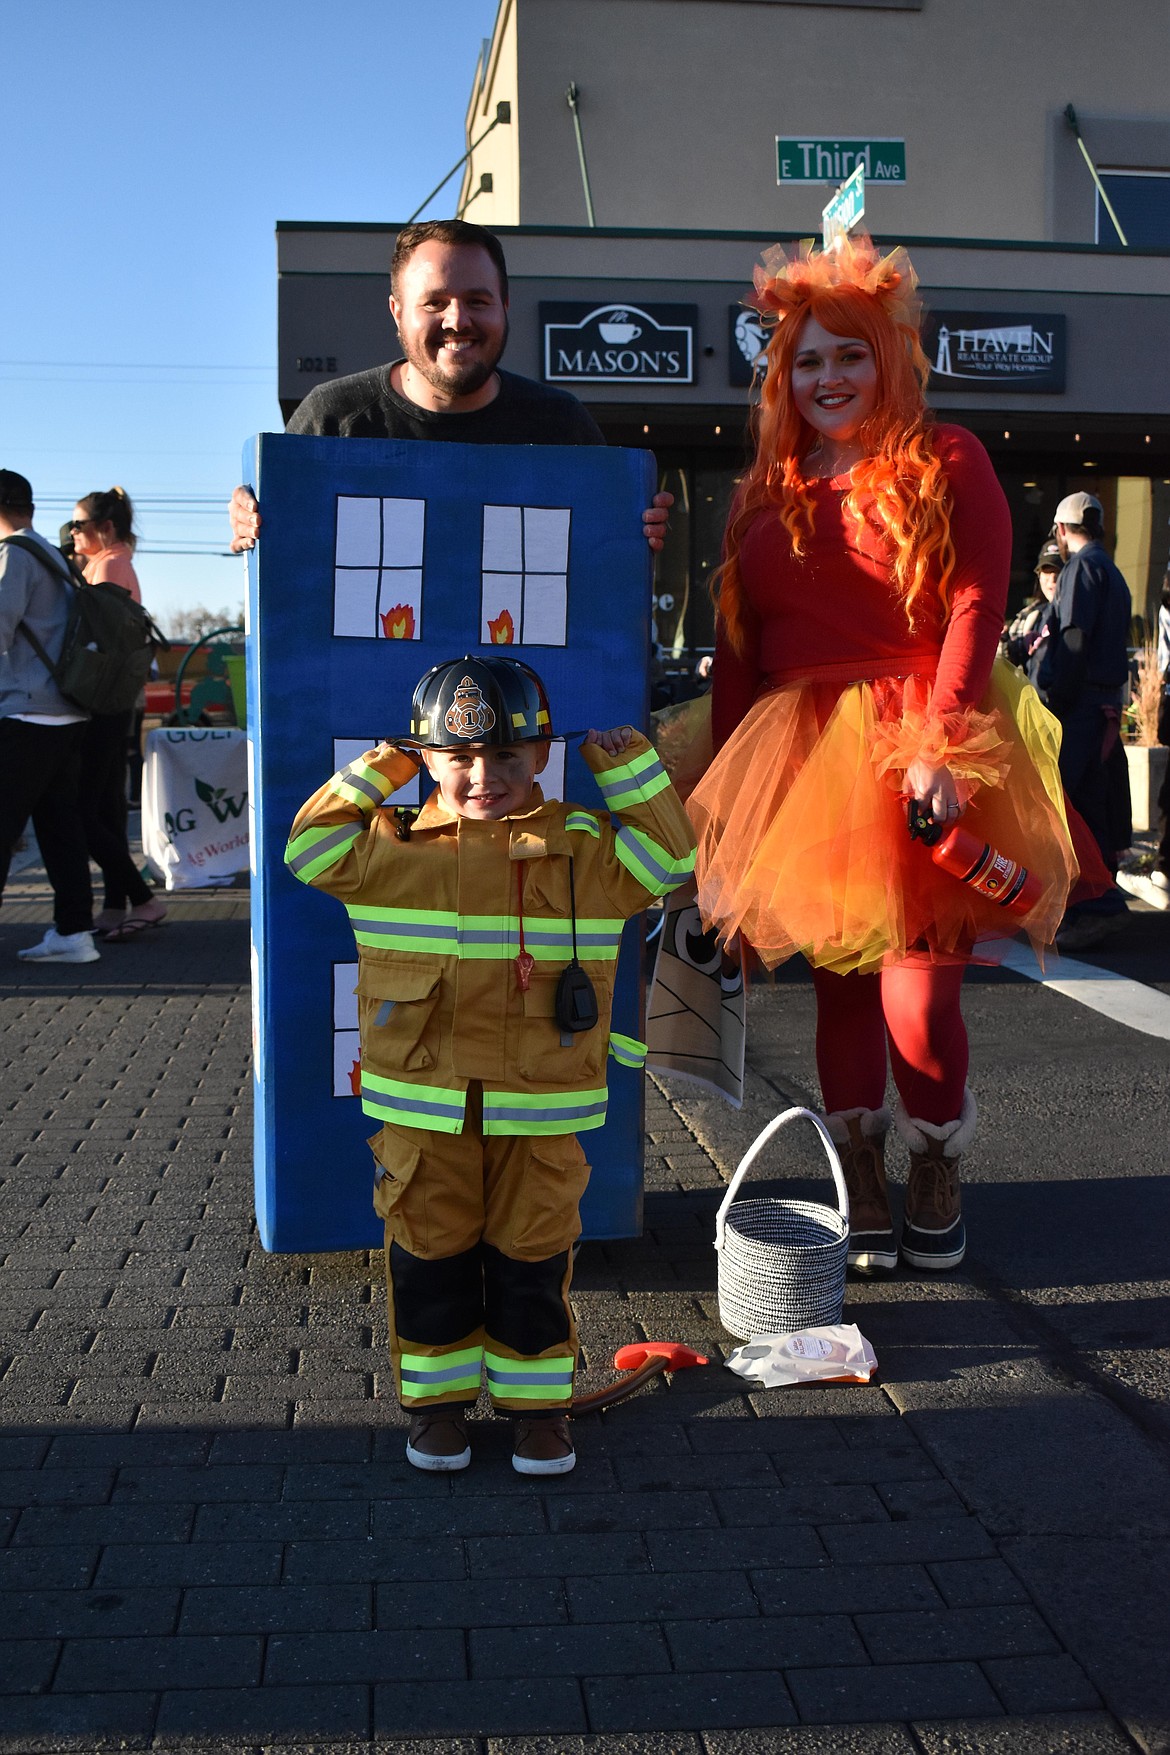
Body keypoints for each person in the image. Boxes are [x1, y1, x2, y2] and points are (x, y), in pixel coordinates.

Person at [687, 236, 1077, 1277]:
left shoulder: (950, 459)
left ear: (891, 358)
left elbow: (976, 603)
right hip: (799, 754)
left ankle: (936, 1154)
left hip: (921, 742)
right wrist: (727, 806)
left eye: (847, 356)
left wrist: (941, 738)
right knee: (843, 988)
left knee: (921, 997)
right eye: (806, 361)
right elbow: (739, 653)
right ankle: (857, 1167)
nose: (826, 379)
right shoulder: (762, 491)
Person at [285, 654, 694, 1474]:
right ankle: (435, 1409)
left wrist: (630, 767)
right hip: (425, 1111)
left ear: (543, 755)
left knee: (534, 1257)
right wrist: (384, 762)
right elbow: (306, 847)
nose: (484, 776)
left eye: (508, 756)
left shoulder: (585, 848)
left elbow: (671, 861)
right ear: (428, 760)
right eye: (458, 757)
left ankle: (539, 1412)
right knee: (429, 1255)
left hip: (540, 1111)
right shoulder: (387, 845)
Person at [228, 219, 671, 552]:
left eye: (477, 301)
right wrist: (253, 524)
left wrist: (637, 532)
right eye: (435, 303)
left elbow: (597, 569)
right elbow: (291, 567)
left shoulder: (560, 424)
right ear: (397, 311)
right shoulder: (334, 417)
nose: (457, 320)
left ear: (505, 306)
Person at [0, 470, 98, 964]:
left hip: (25, 712)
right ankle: (75, 933)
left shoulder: (15, 555)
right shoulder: (55, 558)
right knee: (60, 827)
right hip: (66, 710)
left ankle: (75, 933)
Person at [1034, 491, 1132, 951]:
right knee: (1091, 806)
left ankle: (1092, 905)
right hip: (1104, 706)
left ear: (1060, 530)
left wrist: (1055, 696)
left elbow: (1073, 638)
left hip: (1080, 707)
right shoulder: (1112, 571)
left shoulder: (1080, 570)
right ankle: (1099, 901)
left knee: (1068, 806)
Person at [68, 488, 166, 941]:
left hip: (103, 704)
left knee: (81, 810)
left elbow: (92, 642)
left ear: (103, 528)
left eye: (79, 525)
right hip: (121, 703)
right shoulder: (118, 561)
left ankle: (141, 899)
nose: (73, 533)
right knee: (104, 807)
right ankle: (115, 904)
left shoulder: (106, 567)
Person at [1001, 539, 1062, 683]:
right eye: (1047, 572)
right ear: (1038, 576)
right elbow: (1010, 661)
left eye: (1058, 572)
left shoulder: (1077, 615)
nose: (1052, 580)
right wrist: (1003, 642)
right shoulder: (1029, 617)